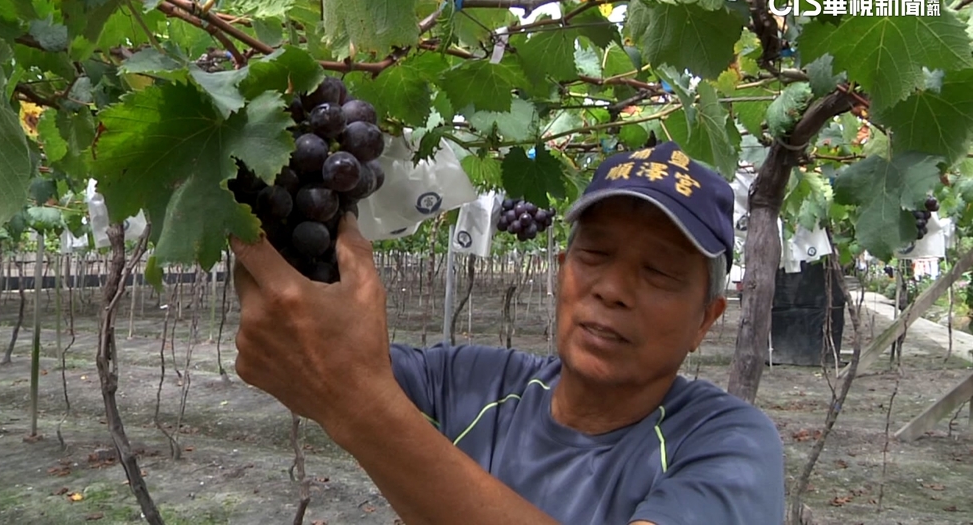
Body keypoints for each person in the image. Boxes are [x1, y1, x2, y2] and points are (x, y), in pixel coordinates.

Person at [229, 141, 786, 524]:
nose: (613, 289)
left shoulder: (729, 444)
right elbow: (319, 350)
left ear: (706, 319)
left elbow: (347, 382)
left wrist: (356, 405)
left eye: (659, 271)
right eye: (595, 254)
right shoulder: (470, 381)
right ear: (562, 271)